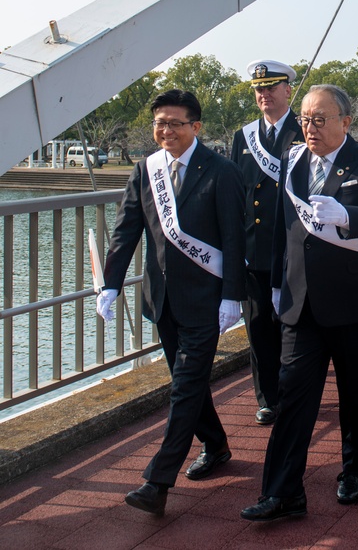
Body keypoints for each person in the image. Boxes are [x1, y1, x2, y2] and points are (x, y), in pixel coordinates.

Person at [240, 84, 358, 521]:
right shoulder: (291, 161)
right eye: (305, 119)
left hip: (353, 304)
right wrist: (275, 283)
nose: (310, 127)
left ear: (346, 122)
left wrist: (346, 216)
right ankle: (283, 491)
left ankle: (354, 469)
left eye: (320, 119)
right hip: (300, 304)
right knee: (292, 397)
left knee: (355, 396)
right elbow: (280, 229)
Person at [97, 89, 245, 516]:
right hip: (160, 300)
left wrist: (232, 294)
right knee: (191, 386)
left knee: (182, 389)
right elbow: (127, 230)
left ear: (195, 127)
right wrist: (111, 285)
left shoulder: (221, 171)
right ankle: (216, 446)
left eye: (175, 123)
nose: (165, 131)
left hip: (206, 301)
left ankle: (156, 482)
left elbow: (234, 238)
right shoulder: (147, 170)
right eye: (159, 123)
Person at [230, 59, 304, 426]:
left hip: (293, 247)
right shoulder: (243, 137)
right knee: (258, 327)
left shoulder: (305, 131)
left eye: (271, 87)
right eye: (259, 89)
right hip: (255, 249)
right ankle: (268, 398)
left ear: (288, 90)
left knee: (292, 326)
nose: (264, 94)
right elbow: (234, 194)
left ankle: (295, 392)